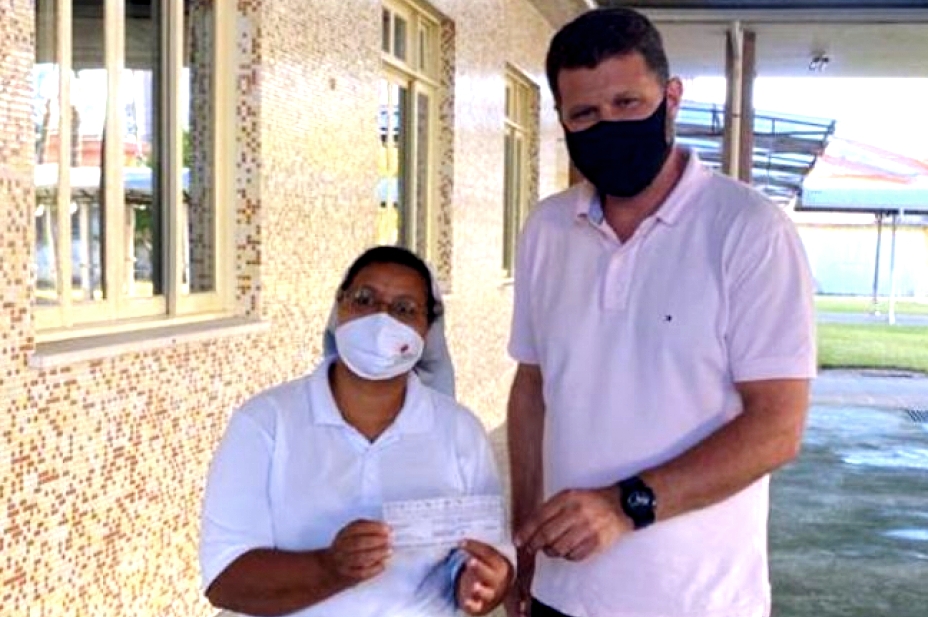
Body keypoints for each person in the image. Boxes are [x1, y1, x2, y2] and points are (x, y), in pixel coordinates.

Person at [505, 8, 816, 617]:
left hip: (696, 599)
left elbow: (778, 427)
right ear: (562, 119)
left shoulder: (749, 231)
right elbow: (532, 388)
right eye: (585, 114)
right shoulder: (547, 228)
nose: (608, 125)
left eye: (628, 103)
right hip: (562, 593)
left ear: (671, 98)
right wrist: (524, 531)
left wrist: (625, 506)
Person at [200, 246, 513, 617]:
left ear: (427, 329)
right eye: (364, 299)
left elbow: (488, 555)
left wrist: (482, 582)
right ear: (339, 307)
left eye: (404, 309)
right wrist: (329, 568)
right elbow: (225, 580)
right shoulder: (266, 424)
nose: (381, 319)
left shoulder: (460, 432)